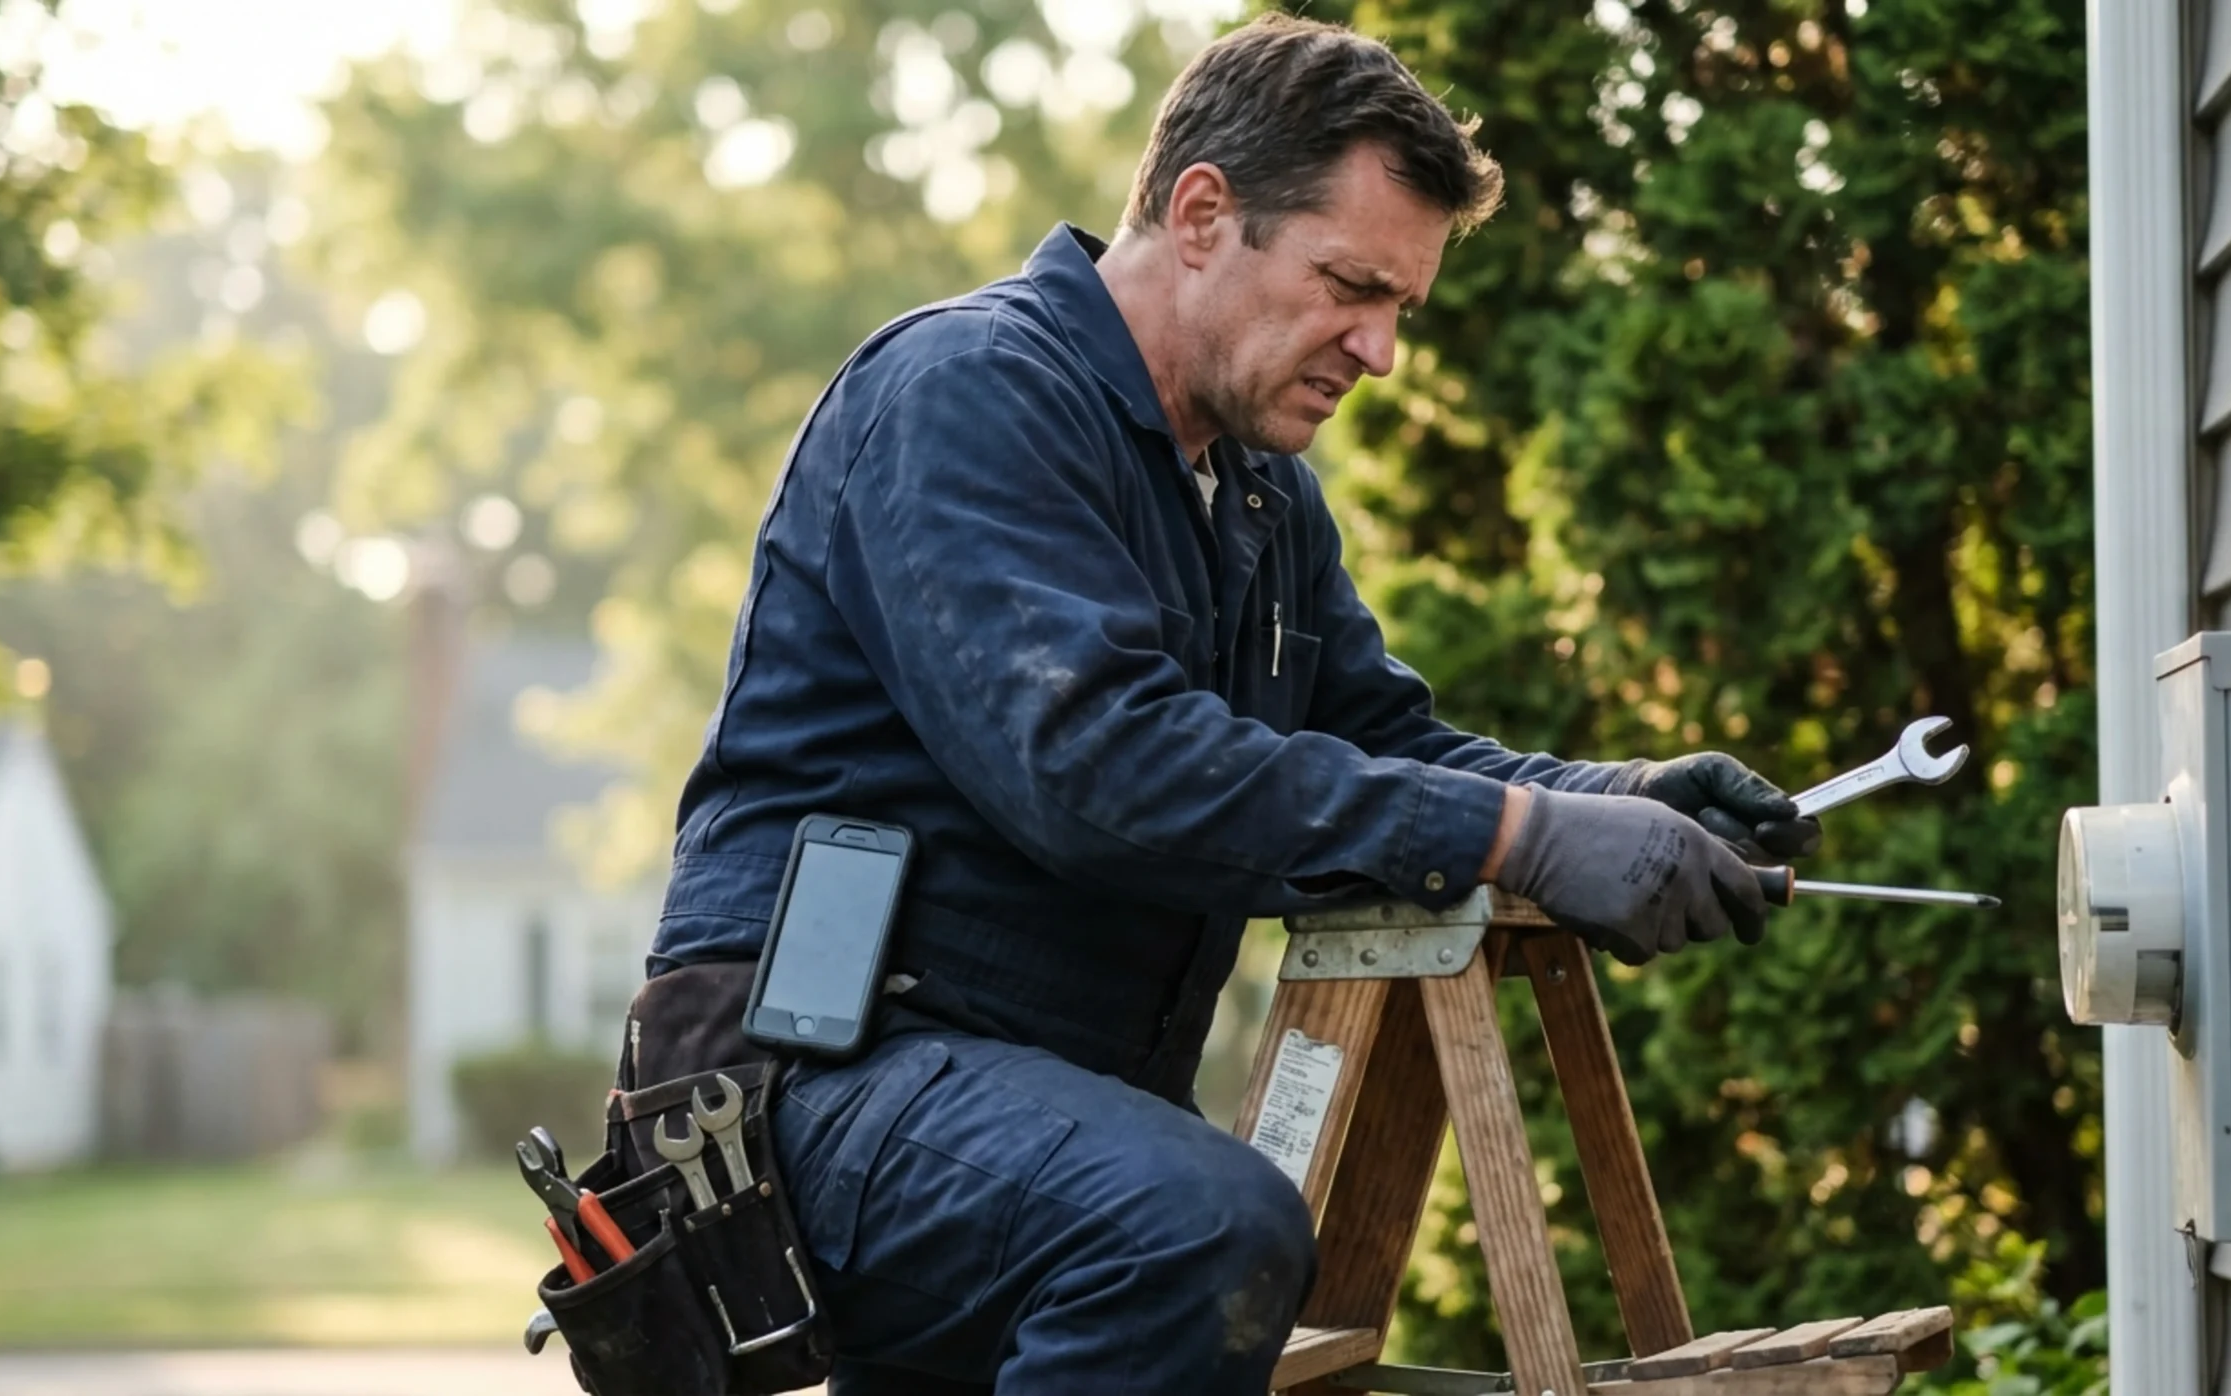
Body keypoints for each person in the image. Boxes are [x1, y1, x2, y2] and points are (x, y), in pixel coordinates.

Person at [648, 13, 1818, 1393]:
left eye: (1400, 310)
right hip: (810, 1091)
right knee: (1194, 1227)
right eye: (1348, 285)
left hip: (1025, 1110)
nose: (1379, 351)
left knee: (1179, 1218)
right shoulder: (968, 397)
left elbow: (1380, 746)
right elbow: (1101, 765)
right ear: (1202, 213)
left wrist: (1607, 799)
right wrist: (1521, 838)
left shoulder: (1261, 499)